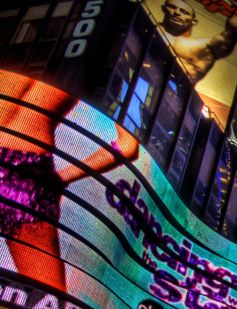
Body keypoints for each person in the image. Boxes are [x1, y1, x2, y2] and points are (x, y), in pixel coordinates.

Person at [0, 72, 140, 293]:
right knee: (47, 298)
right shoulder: (104, 68)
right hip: (30, 177)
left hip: (28, 167)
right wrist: (61, 178)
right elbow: (128, 146)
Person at [154, 0, 237, 83]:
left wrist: (235, 10)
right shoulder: (148, 24)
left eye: (184, 12)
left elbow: (232, 35)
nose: (177, 13)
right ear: (163, 8)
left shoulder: (202, 47)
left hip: (173, 92)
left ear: (194, 21)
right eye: (172, 7)